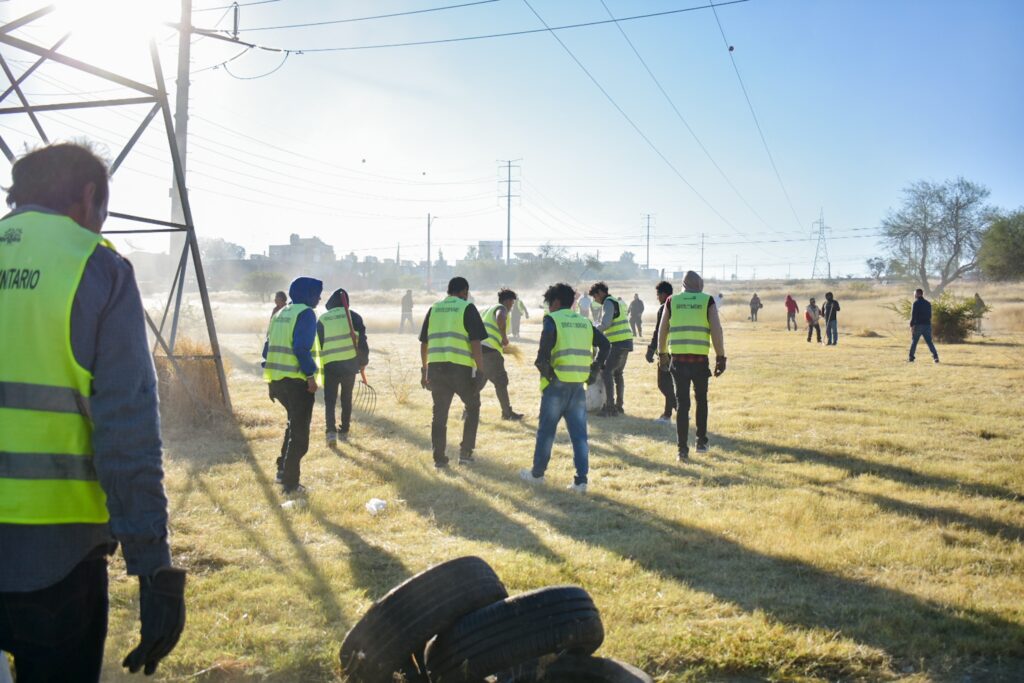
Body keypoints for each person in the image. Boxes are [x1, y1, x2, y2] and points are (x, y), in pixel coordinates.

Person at [0, 143, 185, 680]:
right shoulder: (97, 268)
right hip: (57, 561)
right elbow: (126, 434)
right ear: (87, 197)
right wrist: (152, 568)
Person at [520, 282, 610, 493]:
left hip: (557, 386)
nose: (548, 308)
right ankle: (581, 482)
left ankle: (537, 475)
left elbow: (542, 357)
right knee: (579, 436)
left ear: (557, 302)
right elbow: (605, 345)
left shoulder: (552, 320)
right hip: (578, 387)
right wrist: (594, 370)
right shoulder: (584, 322)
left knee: (546, 433)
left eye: (549, 303)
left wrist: (549, 376)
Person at [658, 271, 726, 460]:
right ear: (699, 284)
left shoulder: (672, 300)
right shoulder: (707, 301)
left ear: (684, 284)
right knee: (701, 401)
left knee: (682, 404)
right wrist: (721, 356)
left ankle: (682, 450)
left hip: (678, 361)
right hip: (699, 361)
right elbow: (716, 330)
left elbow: (663, 329)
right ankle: (701, 442)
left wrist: (662, 353)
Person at [263, 277, 322, 494]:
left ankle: (282, 469)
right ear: (307, 294)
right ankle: (290, 483)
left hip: (277, 381)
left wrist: (270, 380)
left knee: (292, 425)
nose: (319, 298)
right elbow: (300, 349)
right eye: (317, 293)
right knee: (300, 436)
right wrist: (310, 377)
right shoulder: (305, 313)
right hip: (297, 383)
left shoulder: (280, 313)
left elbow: (265, 350)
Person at [420, 277, 487, 469]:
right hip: (460, 369)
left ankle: (439, 458)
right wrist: (481, 370)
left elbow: (424, 343)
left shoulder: (434, 309)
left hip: (436, 368)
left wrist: (424, 370)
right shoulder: (466, 308)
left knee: (439, 414)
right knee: (473, 406)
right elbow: (475, 342)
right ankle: (465, 453)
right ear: (464, 291)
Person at [318, 288, 369, 444]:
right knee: (347, 398)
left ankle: (331, 432)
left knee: (330, 400)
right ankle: (344, 429)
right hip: (349, 364)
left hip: (330, 365)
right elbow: (362, 343)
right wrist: (363, 362)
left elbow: (317, 344)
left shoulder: (323, 319)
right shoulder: (354, 317)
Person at [479, 289, 524, 420]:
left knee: (478, 382)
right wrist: (504, 338)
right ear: (508, 301)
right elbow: (500, 317)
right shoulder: (501, 309)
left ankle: (468, 411)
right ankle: (507, 413)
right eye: (512, 302)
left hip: (480, 350)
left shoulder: (487, 310)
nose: (512, 305)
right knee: (501, 381)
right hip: (491, 352)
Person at [589, 281, 633, 417]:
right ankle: (619, 406)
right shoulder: (617, 301)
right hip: (626, 341)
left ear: (600, 293)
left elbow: (606, 323)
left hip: (617, 343)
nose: (595, 300)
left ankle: (610, 407)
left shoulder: (608, 302)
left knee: (607, 372)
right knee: (618, 374)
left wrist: (593, 332)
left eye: (595, 297)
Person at [645, 281, 676, 423]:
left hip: (665, 352)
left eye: (658, 295)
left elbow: (659, 331)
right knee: (670, 384)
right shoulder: (677, 306)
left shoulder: (664, 308)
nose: (657, 298)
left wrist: (651, 350)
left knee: (663, 384)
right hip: (676, 350)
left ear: (664, 294)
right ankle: (668, 414)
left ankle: (676, 410)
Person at [908, 288, 940, 363]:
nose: (914, 295)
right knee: (929, 342)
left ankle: (911, 358)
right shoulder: (928, 303)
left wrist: (911, 326)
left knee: (914, 342)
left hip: (918, 325)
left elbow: (913, 316)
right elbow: (930, 315)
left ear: (918, 294)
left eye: (915, 293)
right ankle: (935, 357)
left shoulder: (915, 303)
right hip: (927, 325)